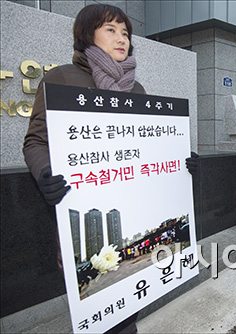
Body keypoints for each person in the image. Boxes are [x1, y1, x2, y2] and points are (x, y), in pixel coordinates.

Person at [21, 4, 161, 333]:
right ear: (87, 35)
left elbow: (147, 147)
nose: (121, 38)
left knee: (129, 302)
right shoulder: (61, 79)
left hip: (134, 211)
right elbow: (35, 143)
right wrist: (44, 174)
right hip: (85, 216)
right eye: (111, 30)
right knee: (98, 301)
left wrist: (181, 166)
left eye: (125, 32)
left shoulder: (136, 89)